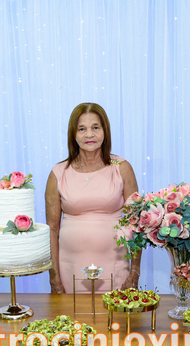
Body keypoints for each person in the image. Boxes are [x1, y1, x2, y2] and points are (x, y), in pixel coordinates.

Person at [46, 103, 141, 293]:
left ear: (105, 131)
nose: (89, 134)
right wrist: (54, 277)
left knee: (114, 313)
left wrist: (135, 272)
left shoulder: (122, 168)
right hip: (69, 269)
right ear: (73, 134)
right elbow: (52, 229)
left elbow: (136, 224)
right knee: (72, 313)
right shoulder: (58, 173)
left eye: (95, 127)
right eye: (82, 129)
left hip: (115, 266)